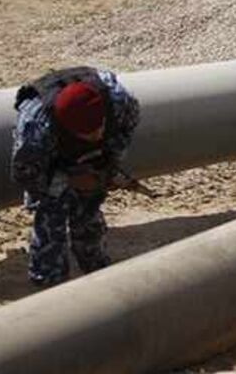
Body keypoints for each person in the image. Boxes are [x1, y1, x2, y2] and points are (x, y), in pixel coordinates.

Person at [10, 67, 140, 286]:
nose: (96, 135)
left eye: (99, 128)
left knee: (89, 212)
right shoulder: (36, 125)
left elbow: (126, 129)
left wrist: (106, 168)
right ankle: (50, 281)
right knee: (51, 219)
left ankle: (96, 267)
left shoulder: (117, 99)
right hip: (52, 164)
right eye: (87, 133)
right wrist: (68, 179)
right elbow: (26, 175)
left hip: (88, 156)